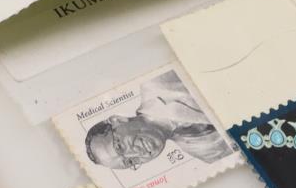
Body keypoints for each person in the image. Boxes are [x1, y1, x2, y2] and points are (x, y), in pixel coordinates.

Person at [84, 69, 232, 170]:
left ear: (118, 120)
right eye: (130, 162)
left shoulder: (158, 80)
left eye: (120, 146)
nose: (136, 154)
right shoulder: (209, 154)